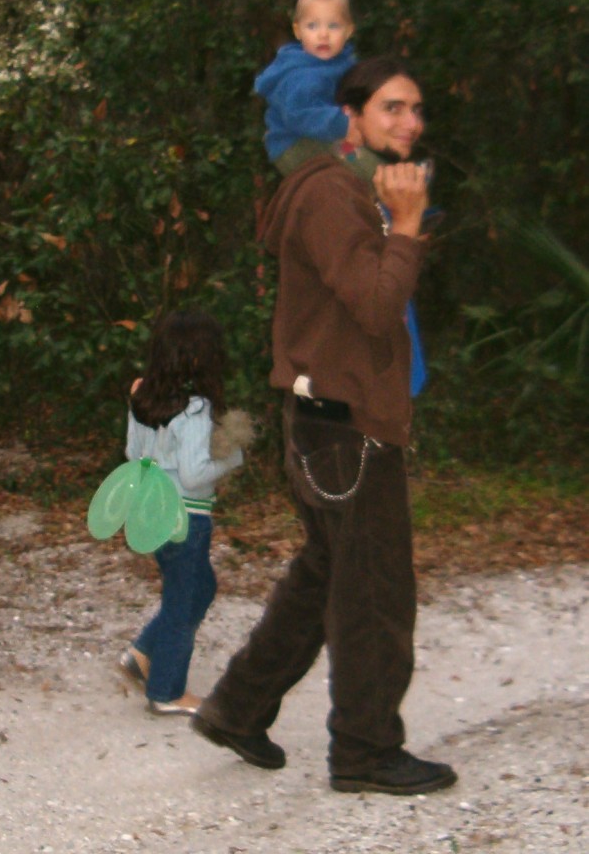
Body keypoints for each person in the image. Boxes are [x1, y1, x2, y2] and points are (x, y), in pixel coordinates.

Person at [191, 57, 458, 795]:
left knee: (325, 574)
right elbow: (375, 305)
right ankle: (366, 753)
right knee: (375, 592)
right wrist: (406, 227)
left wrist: (399, 223)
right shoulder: (334, 194)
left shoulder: (352, 188)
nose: (410, 122)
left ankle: (237, 708)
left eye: (416, 109)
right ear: (351, 115)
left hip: (330, 420)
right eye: (393, 108)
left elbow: (365, 303)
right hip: (344, 427)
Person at [119, 308, 246, 716]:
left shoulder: (142, 394)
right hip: (187, 518)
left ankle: (143, 655)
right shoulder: (195, 409)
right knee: (183, 599)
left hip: (153, 512)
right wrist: (232, 458)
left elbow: (132, 454)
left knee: (198, 588)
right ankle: (167, 690)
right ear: (200, 358)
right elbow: (194, 475)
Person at [254, 0, 359, 174]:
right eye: (312, 26)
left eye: (333, 25)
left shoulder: (343, 63)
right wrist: (345, 124)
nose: (323, 35)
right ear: (298, 31)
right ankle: (383, 178)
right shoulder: (299, 74)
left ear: (349, 30)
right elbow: (300, 115)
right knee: (355, 160)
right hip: (294, 143)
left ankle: (397, 176)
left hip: (322, 135)